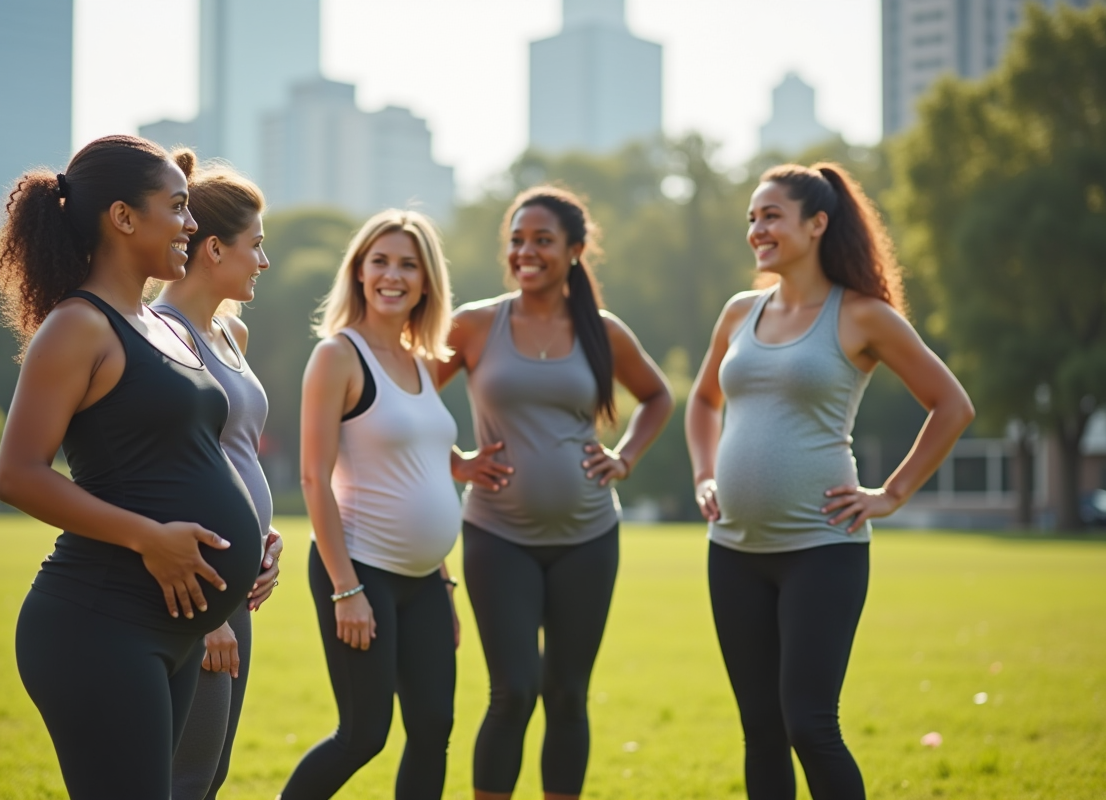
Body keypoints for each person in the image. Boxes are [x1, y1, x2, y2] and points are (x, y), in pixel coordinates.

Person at [685, 162, 975, 800]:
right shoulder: (740, 312)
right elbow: (703, 401)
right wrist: (705, 474)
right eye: (752, 218)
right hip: (733, 552)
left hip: (823, 550)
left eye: (771, 216)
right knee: (760, 730)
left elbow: (951, 405)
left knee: (810, 725)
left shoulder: (863, 317)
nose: (757, 230)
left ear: (816, 224)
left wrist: (890, 493)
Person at [0, 135, 264, 800]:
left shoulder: (162, 325)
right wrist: (148, 537)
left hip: (173, 626)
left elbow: (188, 455)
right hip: (100, 622)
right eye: (177, 207)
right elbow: (18, 474)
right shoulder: (79, 326)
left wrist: (254, 542)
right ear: (123, 217)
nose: (192, 224)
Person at [438, 186, 673, 800]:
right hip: (497, 536)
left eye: (541, 240)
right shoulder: (475, 324)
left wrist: (624, 458)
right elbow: (401, 398)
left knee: (567, 694)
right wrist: (457, 463)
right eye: (516, 240)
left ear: (574, 249)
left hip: (589, 538)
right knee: (513, 690)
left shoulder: (604, 331)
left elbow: (657, 396)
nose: (526, 252)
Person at [282, 210, 463, 800]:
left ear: (427, 280)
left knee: (434, 727)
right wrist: (346, 588)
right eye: (380, 261)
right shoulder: (338, 356)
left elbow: (420, 469)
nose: (394, 275)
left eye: (408, 264)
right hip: (361, 572)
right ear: (359, 272)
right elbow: (314, 477)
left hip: (425, 581)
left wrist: (442, 579)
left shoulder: (419, 361)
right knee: (364, 734)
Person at [151, 155, 283, 800]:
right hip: (195, 593)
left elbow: (237, 453)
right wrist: (208, 619)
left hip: (237, 584)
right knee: (187, 776)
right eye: (255, 246)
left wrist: (265, 533)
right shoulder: (162, 336)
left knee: (212, 775)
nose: (263, 261)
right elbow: (157, 476)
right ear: (212, 248)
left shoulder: (233, 331)